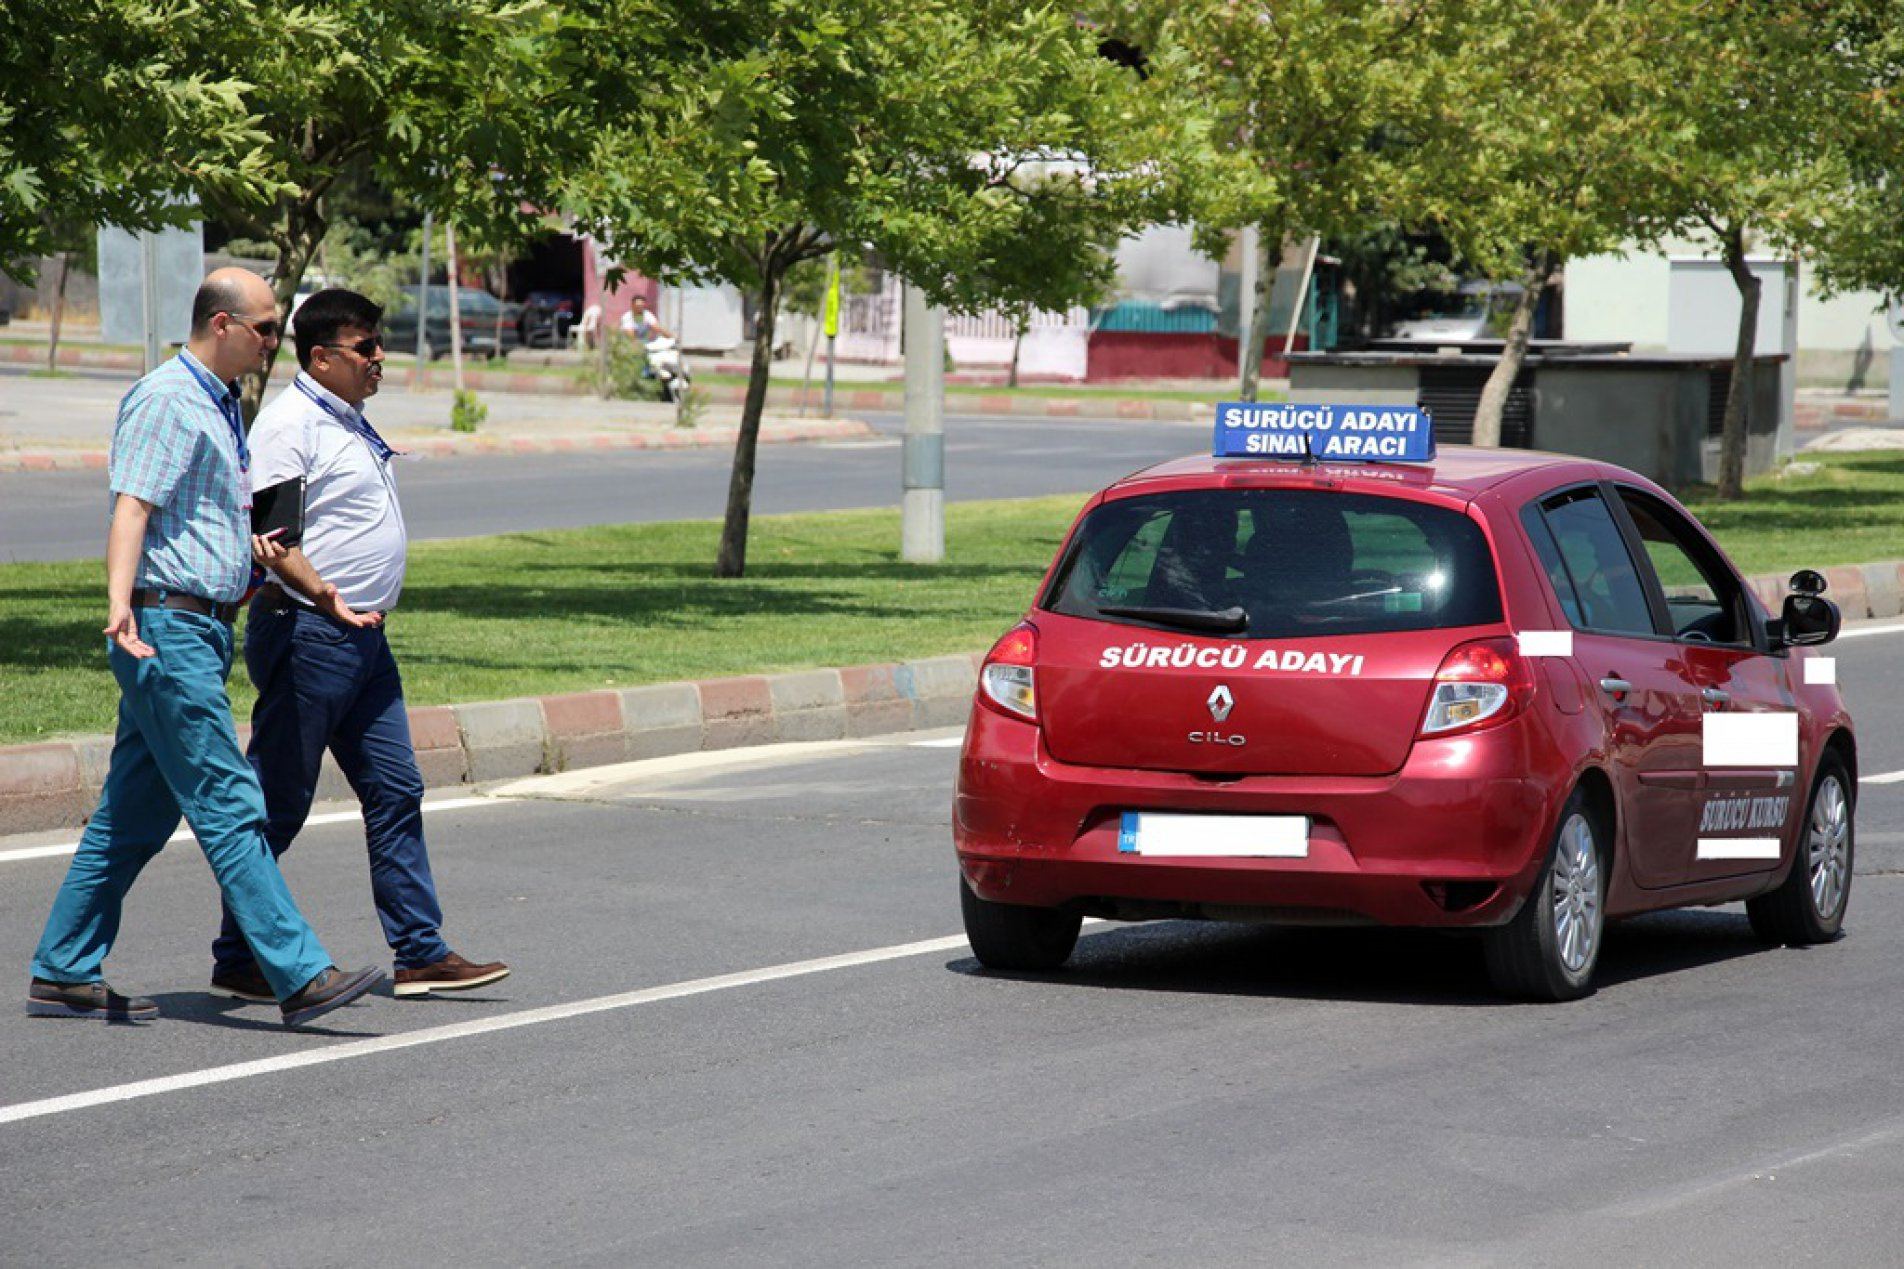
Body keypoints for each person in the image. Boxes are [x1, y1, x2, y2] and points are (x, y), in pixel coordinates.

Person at [27, 268, 383, 1028]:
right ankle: (298, 970)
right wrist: (119, 604)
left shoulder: (219, 403)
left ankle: (62, 966)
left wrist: (274, 561)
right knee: (228, 796)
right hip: (166, 628)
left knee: (136, 813)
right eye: (263, 328)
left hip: (201, 626)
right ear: (221, 325)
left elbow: (199, 513)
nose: (272, 341)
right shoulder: (167, 398)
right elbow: (134, 506)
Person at [207, 288, 508, 1004]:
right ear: (321, 357)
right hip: (309, 631)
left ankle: (420, 951)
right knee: (279, 800)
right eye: (365, 348)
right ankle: (239, 953)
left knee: (397, 788)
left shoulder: (348, 418)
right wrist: (326, 598)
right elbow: (272, 542)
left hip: (363, 636)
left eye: (379, 344)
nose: (380, 359)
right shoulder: (289, 426)